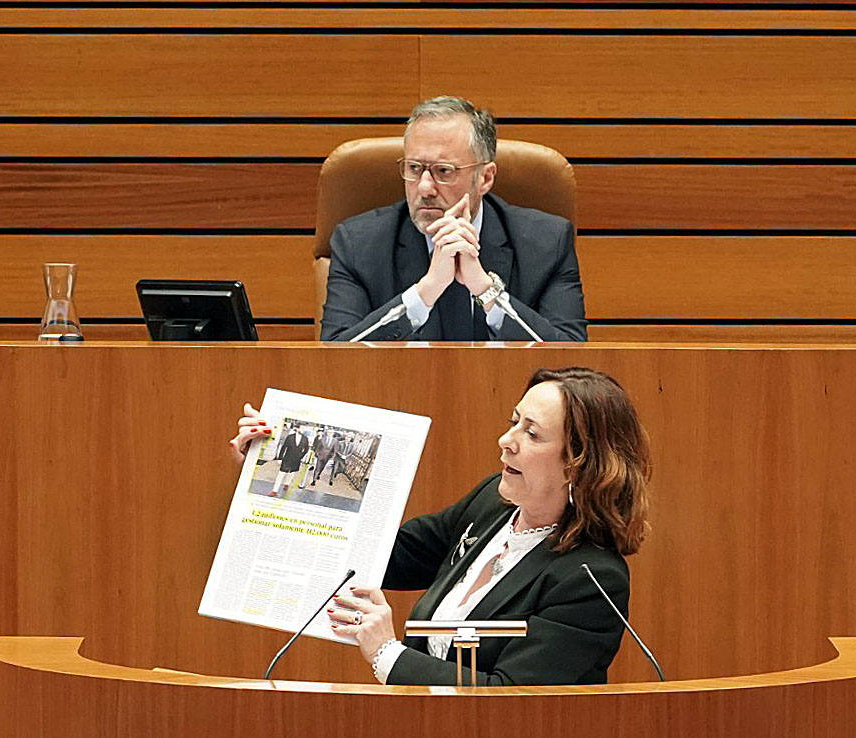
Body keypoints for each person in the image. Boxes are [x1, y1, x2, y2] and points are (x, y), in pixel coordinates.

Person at [228, 367, 650, 686]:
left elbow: (514, 699)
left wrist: (387, 655)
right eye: (513, 420)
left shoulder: (591, 580)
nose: (507, 440)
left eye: (533, 434)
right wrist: (265, 474)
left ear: (577, 465)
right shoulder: (493, 503)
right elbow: (380, 555)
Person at [319, 96, 587, 342]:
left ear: (485, 177)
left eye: (444, 171)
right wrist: (424, 293)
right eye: (414, 168)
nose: (424, 188)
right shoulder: (358, 244)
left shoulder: (547, 243)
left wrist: (485, 290)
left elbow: (570, 359)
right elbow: (333, 359)